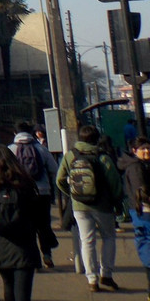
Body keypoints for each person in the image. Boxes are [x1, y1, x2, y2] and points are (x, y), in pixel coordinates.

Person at [56, 124, 124, 292]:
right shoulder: (103, 157)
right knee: (108, 238)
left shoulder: (70, 156)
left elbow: (59, 179)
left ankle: (91, 278)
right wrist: (117, 202)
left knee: (87, 241)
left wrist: (72, 194)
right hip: (102, 205)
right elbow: (115, 183)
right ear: (96, 139)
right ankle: (106, 275)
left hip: (79, 205)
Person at [0, 146, 41, 301]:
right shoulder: (24, 182)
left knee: (8, 286)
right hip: (24, 244)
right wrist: (46, 242)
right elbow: (38, 216)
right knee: (23, 292)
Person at [9, 121, 59, 268]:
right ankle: (47, 254)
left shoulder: (10, 150)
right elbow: (54, 169)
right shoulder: (41, 149)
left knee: (26, 226)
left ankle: (33, 259)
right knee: (43, 225)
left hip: (20, 193)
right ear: (30, 133)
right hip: (42, 192)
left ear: (15, 133)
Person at [119, 135, 150, 299]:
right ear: (134, 151)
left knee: (145, 243)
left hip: (138, 211)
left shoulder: (134, 165)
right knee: (147, 243)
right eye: (143, 149)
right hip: (144, 211)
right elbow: (142, 191)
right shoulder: (137, 168)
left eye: (148, 148)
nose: (146, 151)